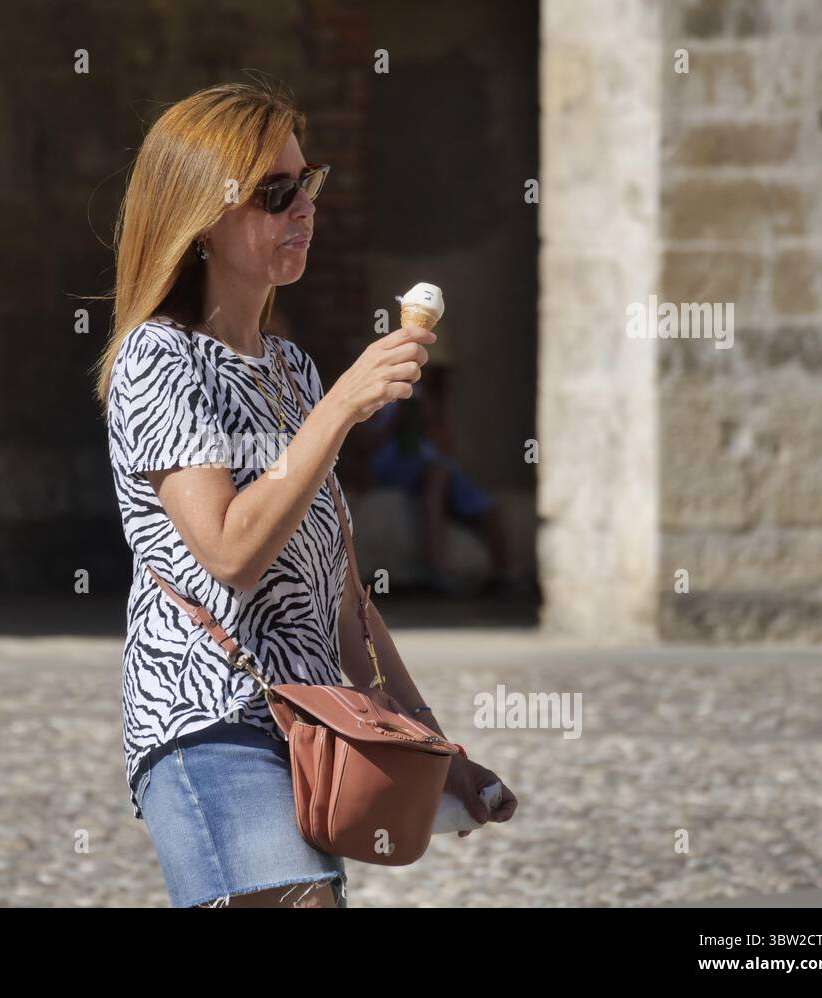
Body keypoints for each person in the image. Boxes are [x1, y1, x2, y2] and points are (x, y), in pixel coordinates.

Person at [92, 79, 516, 908]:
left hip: (311, 733)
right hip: (208, 724)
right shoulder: (158, 360)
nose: (303, 209)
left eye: (307, 183)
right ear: (201, 219)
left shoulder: (290, 371)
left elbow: (341, 596)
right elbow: (231, 553)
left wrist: (433, 743)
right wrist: (343, 409)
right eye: (274, 194)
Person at [350, 333, 525, 597]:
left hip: (434, 467)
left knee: (482, 502)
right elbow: (363, 446)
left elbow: (446, 449)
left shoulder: (428, 402)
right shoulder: (377, 398)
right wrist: (394, 418)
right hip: (398, 468)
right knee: (437, 477)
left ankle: (507, 571)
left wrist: (427, 416)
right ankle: (439, 566)